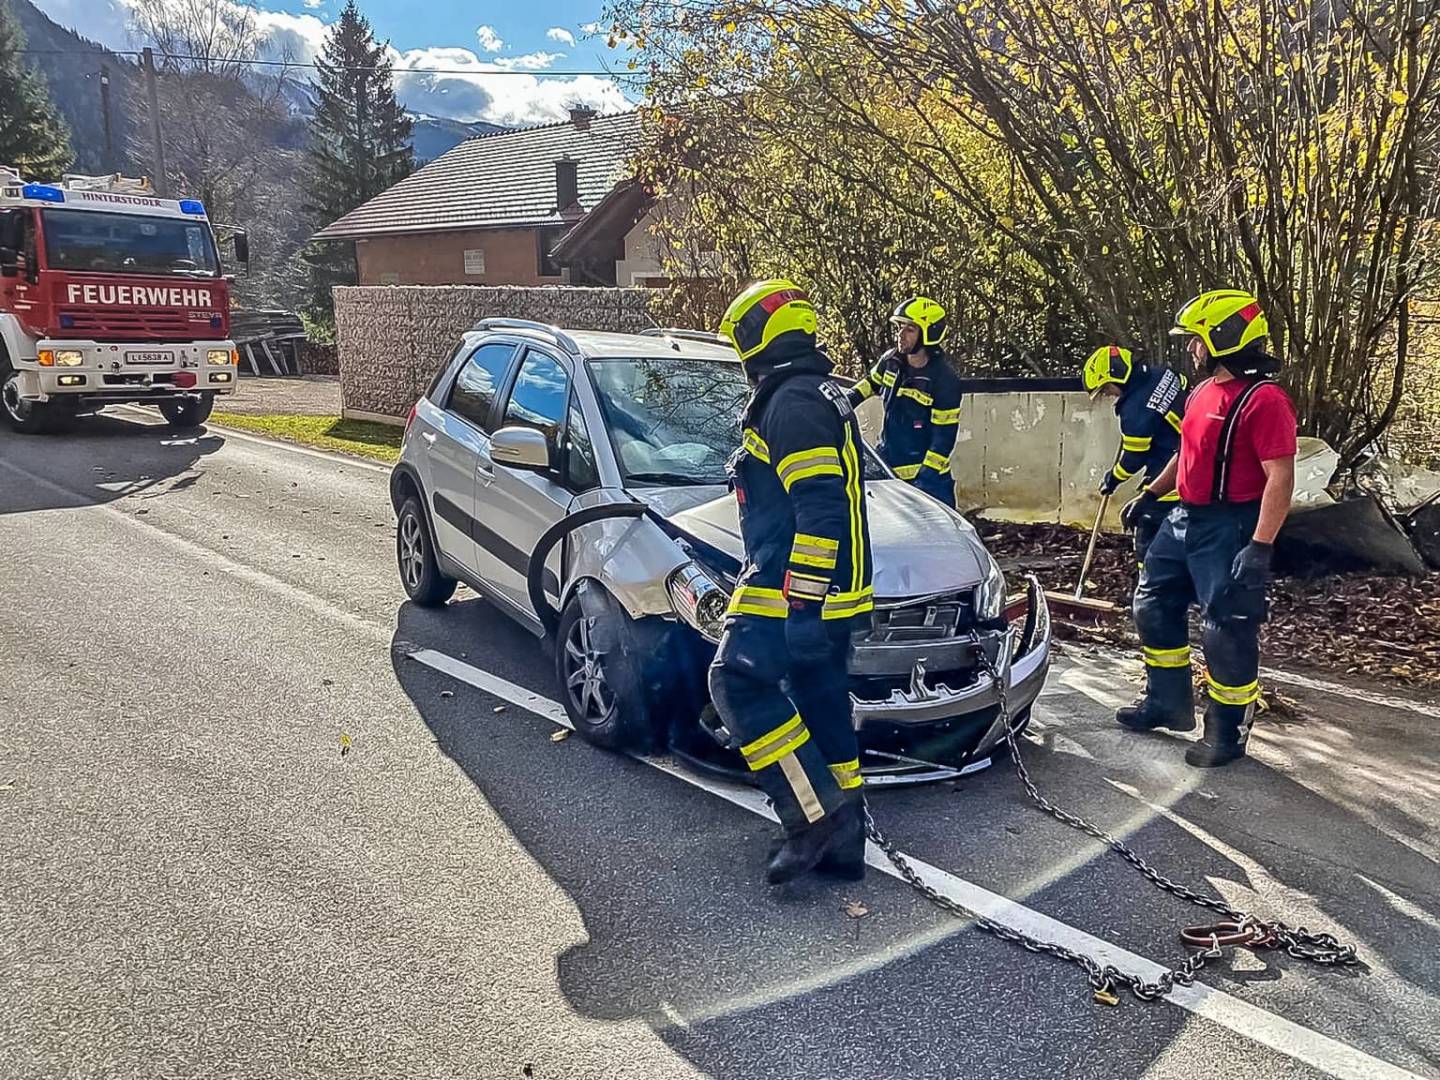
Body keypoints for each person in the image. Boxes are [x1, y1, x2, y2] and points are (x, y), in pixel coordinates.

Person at [710, 279, 874, 883]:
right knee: (821, 702)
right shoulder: (810, 393)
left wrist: (803, 606)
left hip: (792, 586)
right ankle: (846, 841)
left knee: (736, 682)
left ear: (756, 339)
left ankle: (810, 818)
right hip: (827, 589)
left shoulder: (792, 403)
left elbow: (821, 509)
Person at [1118, 289, 1297, 767]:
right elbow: (1187, 452)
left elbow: (1281, 477)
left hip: (1230, 526)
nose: (1192, 348)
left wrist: (1260, 546)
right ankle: (1167, 703)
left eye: (1197, 338)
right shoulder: (1200, 392)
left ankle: (1228, 732)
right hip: (1183, 518)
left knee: (1226, 628)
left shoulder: (1265, 400)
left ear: (1225, 336)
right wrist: (1151, 494)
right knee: (1152, 604)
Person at [848, 296, 962, 508]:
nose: (900, 335)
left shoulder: (943, 380)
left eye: (910, 329)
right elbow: (869, 384)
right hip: (889, 469)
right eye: (899, 327)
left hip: (930, 481)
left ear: (929, 334)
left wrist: (927, 477)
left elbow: (944, 438)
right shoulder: (891, 361)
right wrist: (844, 403)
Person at [1082, 345, 1188, 562]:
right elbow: (1185, 386)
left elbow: (1134, 458)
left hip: (1169, 477)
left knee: (1146, 533)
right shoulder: (1163, 373)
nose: (1108, 395)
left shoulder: (1134, 411)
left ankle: (1147, 580)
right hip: (1191, 462)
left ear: (1118, 376)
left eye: (1106, 388)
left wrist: (1113, 478)